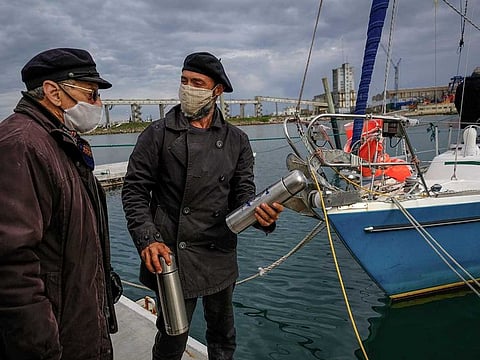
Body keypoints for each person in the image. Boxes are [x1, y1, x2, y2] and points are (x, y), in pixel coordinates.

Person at [122, 51, 284, 360]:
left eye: (197, 82)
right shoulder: (156, 135)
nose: (188, 88)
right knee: (173, 336)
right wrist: (148, 238)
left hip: (218, 251)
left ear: (217, 90)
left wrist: (262, 217)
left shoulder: (237, 140)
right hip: (170, 252)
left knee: (223, 335)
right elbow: (134, 191)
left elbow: (243, 196)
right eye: (184, 81)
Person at [0, 48, 120, 359]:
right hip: (59, 341)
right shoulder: (21, 145)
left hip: (80, 329)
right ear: (54, 92)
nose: (98, 104)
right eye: (91, 94)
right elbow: (12, 268)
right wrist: (43, 349)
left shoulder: (59, 140)